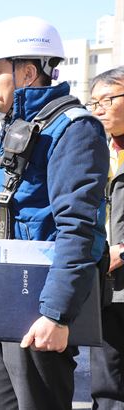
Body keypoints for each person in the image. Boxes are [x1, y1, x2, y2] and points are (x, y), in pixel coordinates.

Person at [0, 16, 109, 409]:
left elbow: (77, 230)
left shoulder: (74, 129)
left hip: (36, 304)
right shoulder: (16, 125)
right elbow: (1, 218)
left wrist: (56, 315)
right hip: (2, 297)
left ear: (26, 72)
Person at [87, 66, 124, 409]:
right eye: (93, 102)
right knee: (106, 372)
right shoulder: (97, 150)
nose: (98, 109)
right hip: (106, 277)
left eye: (107, 100)